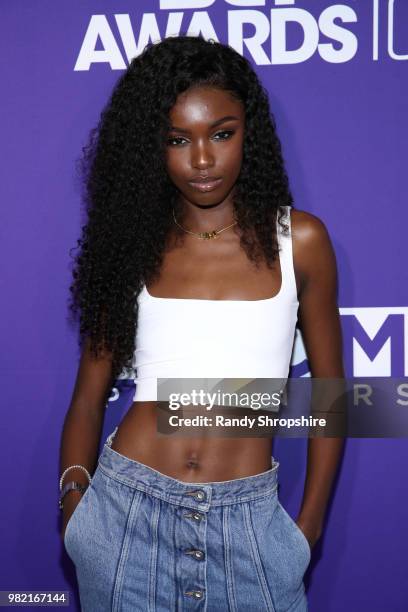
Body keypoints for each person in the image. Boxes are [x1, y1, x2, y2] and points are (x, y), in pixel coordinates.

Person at [59, 35, 344, 611]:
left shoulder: (302, 242)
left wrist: (305, 531)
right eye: (177, 139)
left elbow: (332, 397)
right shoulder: (133, 246)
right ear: (152, 147)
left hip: (251, 531)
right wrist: (74, 506)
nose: (204, 160)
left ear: (249, 131)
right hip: (124, 519)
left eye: (221, 132)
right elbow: (89, 397)